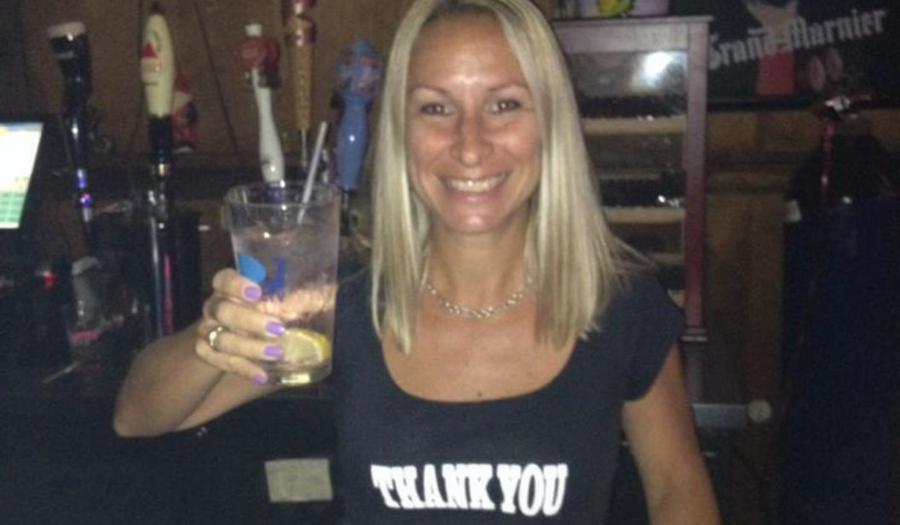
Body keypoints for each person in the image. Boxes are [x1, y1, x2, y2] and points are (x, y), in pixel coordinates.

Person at [114, 0, 721, 522]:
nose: (470, 145)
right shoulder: (346, 300)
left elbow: (677, 488)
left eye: (504, 105)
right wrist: (216, 334)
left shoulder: (620, 302)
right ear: (400, 132)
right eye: (435, 108)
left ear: (551, 123)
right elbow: (137, 416)